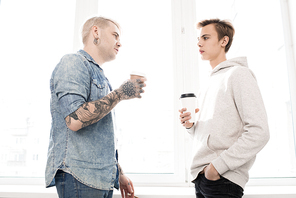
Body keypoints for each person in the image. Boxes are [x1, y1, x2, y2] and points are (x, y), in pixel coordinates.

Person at [45, 16, 146, 198]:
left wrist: (118, 173)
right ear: (96, 31)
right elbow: (74, 120)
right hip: (80, 176)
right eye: (115, 35)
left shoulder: (100, 76)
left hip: (101, 178)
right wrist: (121, 93)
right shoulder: (73, 62)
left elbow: (100, 136)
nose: (119, 43)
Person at [179, 19, 270, 198]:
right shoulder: (208, 83)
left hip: (222, 179)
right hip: (202, 177)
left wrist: (216, 168)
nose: (199, 43)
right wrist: (191, 126)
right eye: (198, 38)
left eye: (205, 37)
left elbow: (260, 132)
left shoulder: (238, 74)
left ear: (224, 41)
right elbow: (208, 136)